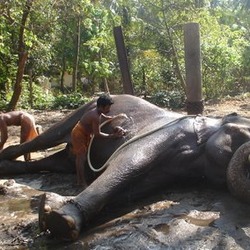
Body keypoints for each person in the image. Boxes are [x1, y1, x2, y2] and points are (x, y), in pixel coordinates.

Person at [71, 94, 127, 187]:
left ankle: (80, 180)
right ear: (101, 106)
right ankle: (81, 181)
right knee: (81, 158)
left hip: (84, 133)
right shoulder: (95, 116)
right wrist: (112, 136)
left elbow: (103, 116)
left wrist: (113, 117)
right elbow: (98, 134)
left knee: (81, 157)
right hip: (79, 134)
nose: (109, 110)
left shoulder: (98, 112)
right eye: (107, 107)